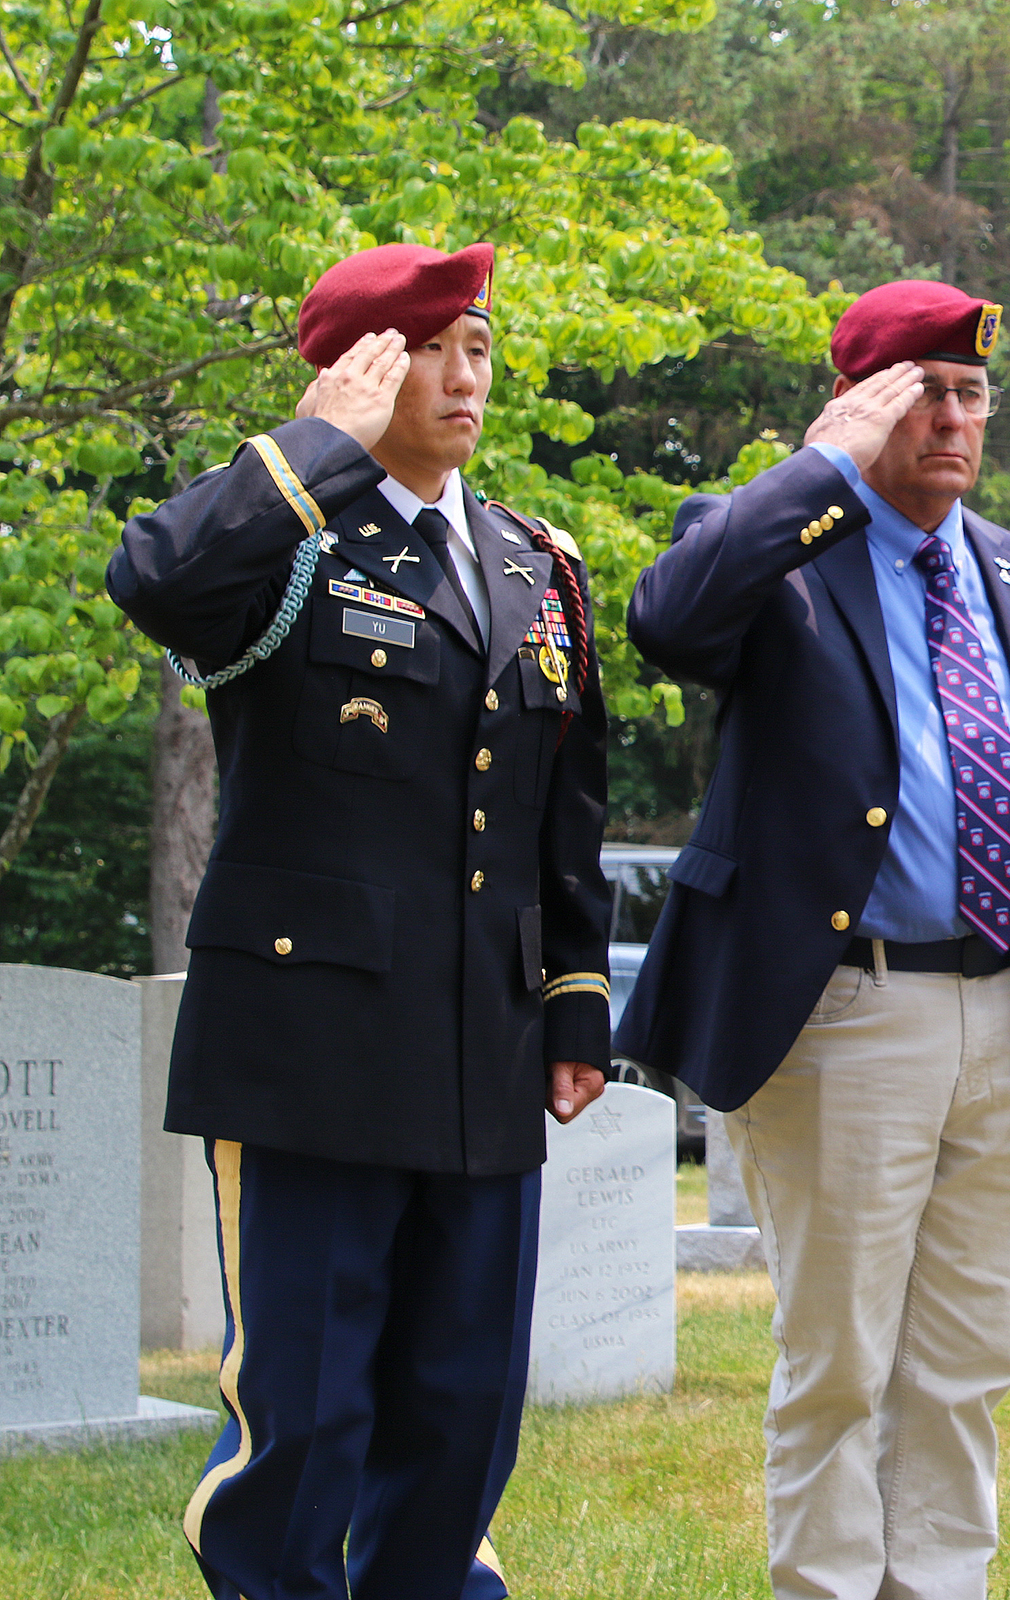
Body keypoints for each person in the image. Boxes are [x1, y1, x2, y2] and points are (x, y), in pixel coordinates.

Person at [107, 241, 612, 1600]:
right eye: (428, 348)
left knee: (461, 1410)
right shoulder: (286, 535)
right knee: (307, 1414)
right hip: (311, 1054)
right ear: (357, 370)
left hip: (482, 1057)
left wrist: (573, 1002)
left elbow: (564, 808)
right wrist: (308, 448)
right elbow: (153, 578)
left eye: (479, 347)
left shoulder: (536, 562)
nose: (463, 376)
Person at [613, 278, 1010, 1600]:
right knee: (839, 1366)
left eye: (969, 393)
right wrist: (820, 467)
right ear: (854, 406)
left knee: (965, 1368)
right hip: (847, 1014)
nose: (951, 417)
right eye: (919, 393)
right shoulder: (778, 550)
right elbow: (668, 620)